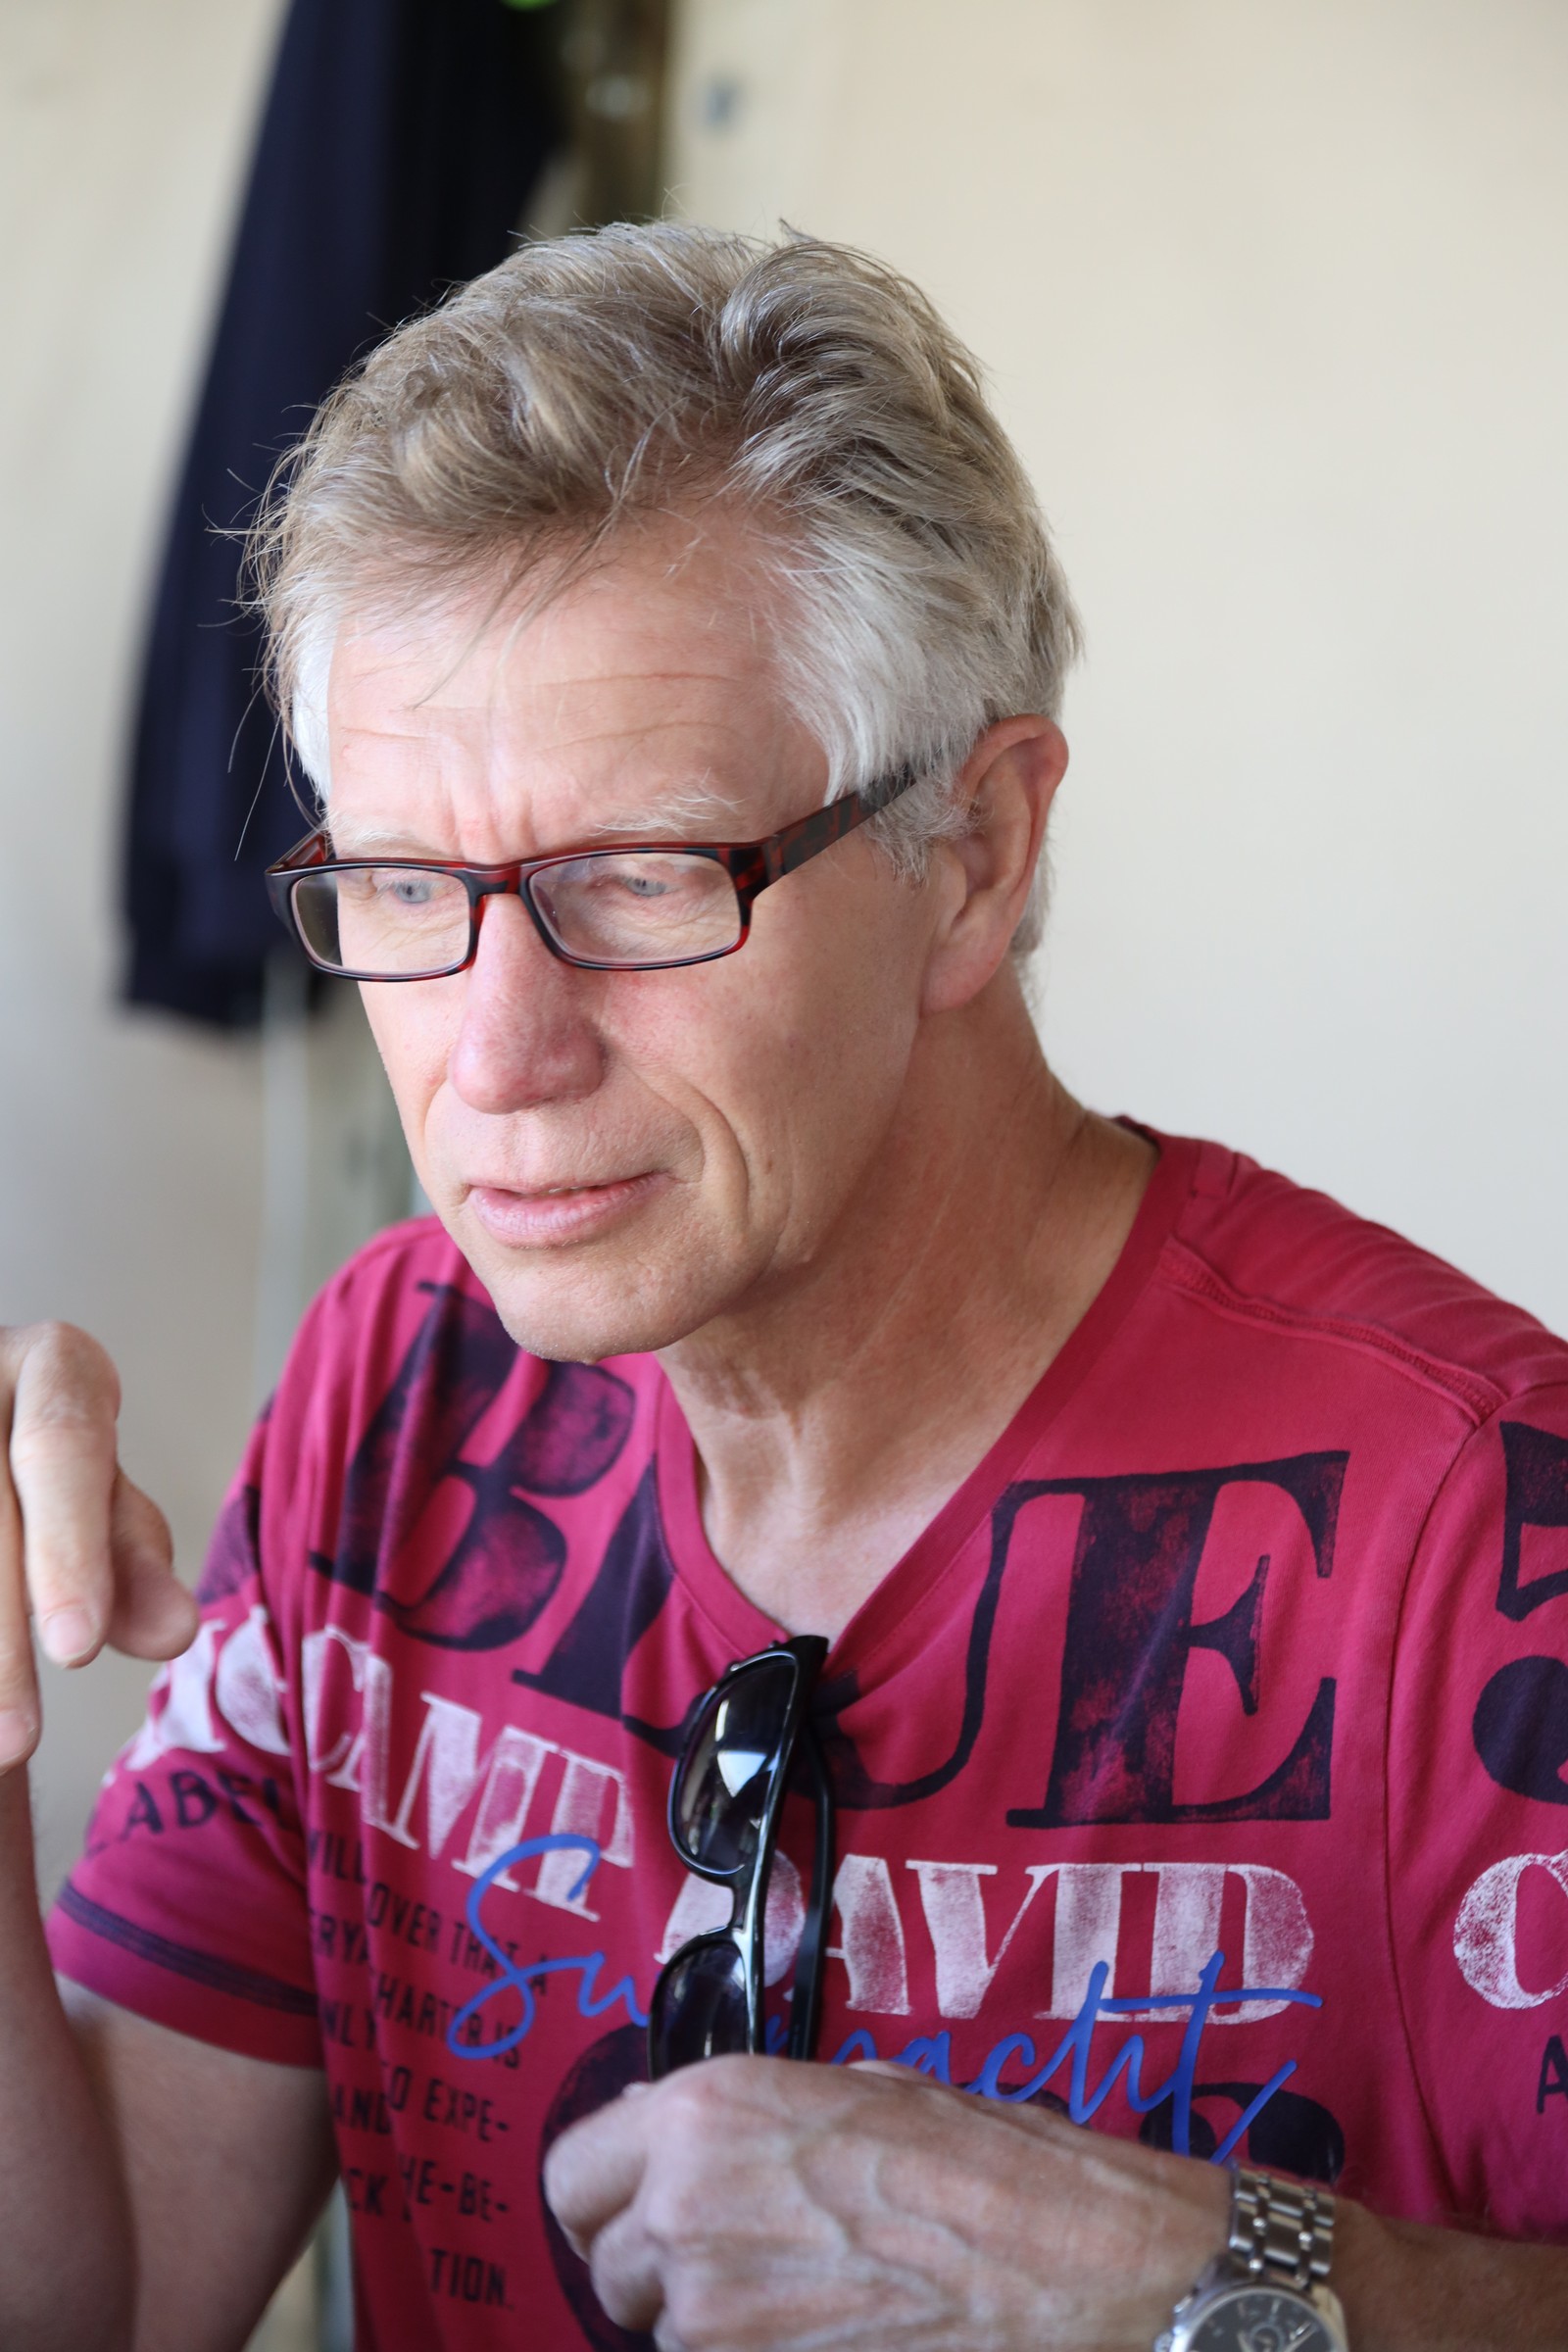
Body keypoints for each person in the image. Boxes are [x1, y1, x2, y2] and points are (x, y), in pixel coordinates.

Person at [3, 223, 1567, 2352]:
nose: (496, 1057)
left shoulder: (1468, 1529)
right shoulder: (396, 1385)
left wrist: (1208, 2285)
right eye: (404, 886)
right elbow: (91, 2300)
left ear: (975, 853)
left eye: (641, 877)